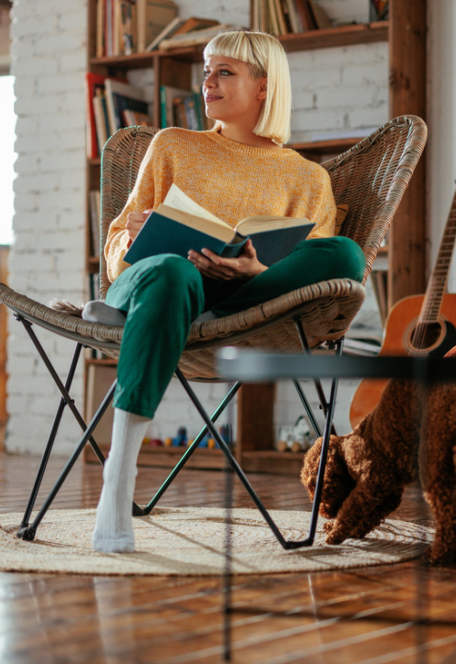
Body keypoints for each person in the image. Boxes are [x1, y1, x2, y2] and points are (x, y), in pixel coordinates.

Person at [92, 30, 366, 552]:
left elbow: (320, 275)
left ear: (264, 87)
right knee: (172, 273)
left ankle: (166, 318)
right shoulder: (172, 145)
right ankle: (118, 478)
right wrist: (133, 234)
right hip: (162, 276)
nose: (207, 81)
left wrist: (256, 272)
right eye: (206, 70)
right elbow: (114, 250)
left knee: (347, 256)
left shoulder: (308, 179)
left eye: (225, 71)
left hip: (249, 303)